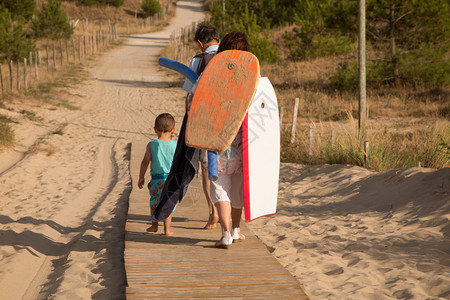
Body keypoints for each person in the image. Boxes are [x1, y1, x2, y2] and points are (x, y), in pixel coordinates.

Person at [210, 31, 250, 248]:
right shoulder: (251, 77)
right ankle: (235, 230)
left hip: (217, 142)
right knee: (237, 189)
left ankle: (226, 233)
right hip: (244, 144)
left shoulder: (213, 74)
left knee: (221, 187)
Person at [182, 23, 220, 230]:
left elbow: (190, 93)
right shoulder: (231, 58)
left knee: (207, 168)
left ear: (200, 43)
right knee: (228, 167)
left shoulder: (198, 60)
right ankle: (229, 215)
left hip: (205, 122)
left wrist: (189, 121)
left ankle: (213, 212)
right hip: (229, 121)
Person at [138, 113, 177, 236]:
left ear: (155, 129)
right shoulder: (175, 145)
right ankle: (167, 229)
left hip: (156, 180)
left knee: (154, 202)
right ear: (173, 130)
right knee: (168, 203)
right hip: (171, 180)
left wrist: (141, 177)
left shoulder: (152, 145)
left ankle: (154, 225)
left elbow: (145, 162)